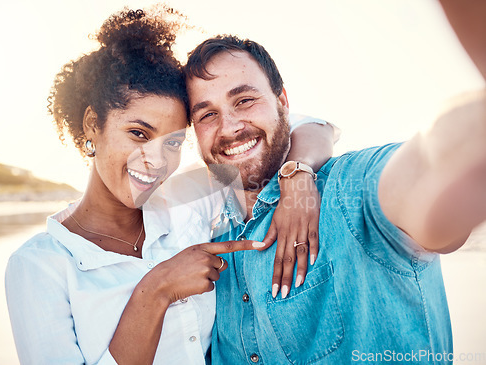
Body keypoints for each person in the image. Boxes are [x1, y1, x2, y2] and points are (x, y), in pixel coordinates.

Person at [4, 6, 336, 365]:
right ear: (91, 125)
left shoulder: (185, 200)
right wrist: (156, 291)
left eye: (174, 143)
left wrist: (298, 177)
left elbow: (300, 126)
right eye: (138, 133)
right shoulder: (40, 266)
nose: (155, 160)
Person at [183, 2, 486, 363]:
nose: (229, 127)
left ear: (283, 102)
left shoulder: (349, 190)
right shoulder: (205, 236)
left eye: (245, 100)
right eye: (207, 115)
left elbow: (434, 160)